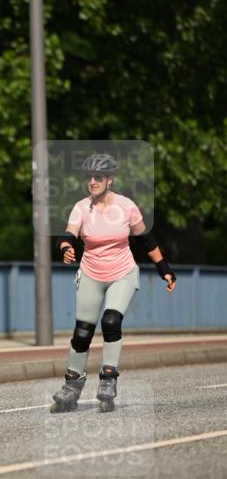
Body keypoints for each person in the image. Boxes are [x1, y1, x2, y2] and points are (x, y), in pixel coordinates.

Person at [52, 152, 176, 412]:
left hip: (122, 273)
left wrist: (163, 268)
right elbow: (68, 235)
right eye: (89, 177)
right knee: (82, 332)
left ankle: (108, 379)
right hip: (91, 273)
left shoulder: (126, 206)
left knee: (110, 321)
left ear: (110, 179)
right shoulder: (81, 207)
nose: (92, 181)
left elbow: (146, 239)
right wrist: (66, 248)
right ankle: (72, 385)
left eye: (98, 177)